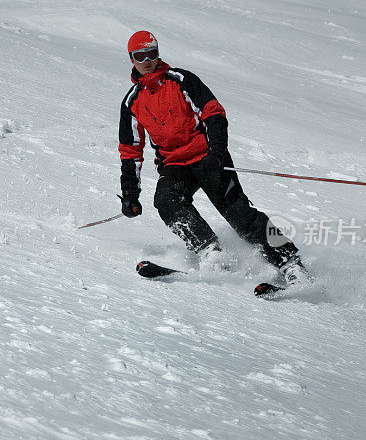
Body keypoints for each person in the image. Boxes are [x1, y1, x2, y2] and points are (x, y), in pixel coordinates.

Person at [117, 30, 310, 286]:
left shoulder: (182, 80)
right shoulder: (132, 102)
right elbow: (130, 150)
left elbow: (213, 112)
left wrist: (217, 151)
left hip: (208, 155)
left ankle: (291, 263)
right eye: (140, 56)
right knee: (167, 201)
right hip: (175, 164)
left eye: (152, 53)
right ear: (132, 59)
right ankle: (211, 252)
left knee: (240, 215)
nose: (148, 60)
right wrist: (130, 194)